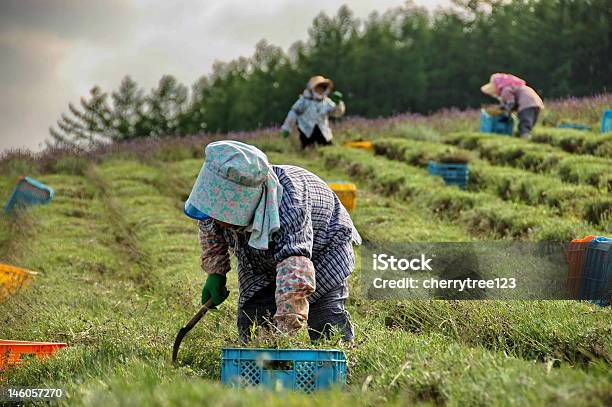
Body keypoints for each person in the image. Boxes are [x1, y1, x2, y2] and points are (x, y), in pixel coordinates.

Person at [183, 140, 361, 343]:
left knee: (326, 320)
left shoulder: (290, 204)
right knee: (253, 316)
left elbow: (295, 273)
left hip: (323, 249)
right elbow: (209, 225)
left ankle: (333, 367)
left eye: (220, 213)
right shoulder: (216, 211)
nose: (214, 218)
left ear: (245, 204)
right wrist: (216, 272)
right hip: (260, 255)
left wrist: (282, 336)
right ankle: (257, 368)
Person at [281, 75, 345, 149]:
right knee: (307, 149)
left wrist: (338, 104)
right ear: (312, 89)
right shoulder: (303, 102)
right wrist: (287, 128)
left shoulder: (326, 102)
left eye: (322, 88)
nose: (320, 90)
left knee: (329, 148)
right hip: (306, 132)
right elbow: (293, 114)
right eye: (318, 88)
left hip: (323, 131)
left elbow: (337, 113)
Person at [481, 73, 544, 139]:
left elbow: (511, 103)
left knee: (524, 123)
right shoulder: (514, 86)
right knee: (529, 123)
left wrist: (505, 112)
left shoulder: (505, 90)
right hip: (536, 103)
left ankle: (525, 137)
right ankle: (527, 136)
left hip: (526, 104)